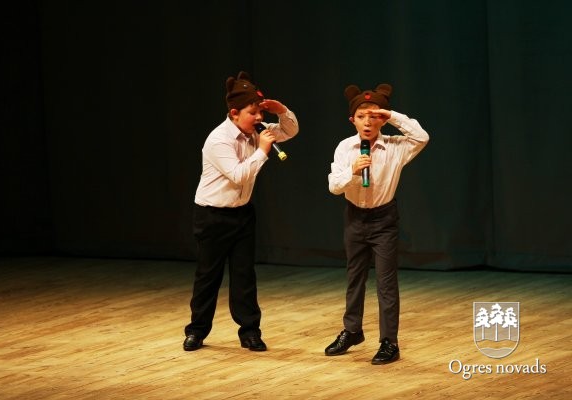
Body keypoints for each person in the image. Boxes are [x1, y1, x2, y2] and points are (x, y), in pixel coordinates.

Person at [183, 71, 299, 352]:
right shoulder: (218, 140)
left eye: (260, 112)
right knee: (208, 276)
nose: (259, 118)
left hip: (242, 214)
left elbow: (290, 130)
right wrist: (263, 151)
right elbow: (238, 175)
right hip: (212, 215)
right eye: (252, 113)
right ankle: (196, 331)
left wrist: (281, 110)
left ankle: (250, 332)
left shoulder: (256, 131)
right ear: (234, 113)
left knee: (244, 275)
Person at [325, 83, 429, 364]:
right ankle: (352, 330)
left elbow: (421, 137)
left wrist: (392, 115)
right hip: (354, 217)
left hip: (384, 219)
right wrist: (352, 170)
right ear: (352, 120)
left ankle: (389, 342)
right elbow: (334, 186)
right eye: (361, 117)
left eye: (374, 116)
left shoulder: (395, 146)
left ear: (382, 119)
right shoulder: (345, 147)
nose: (368, 122)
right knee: (354, 277)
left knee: (385, 281)